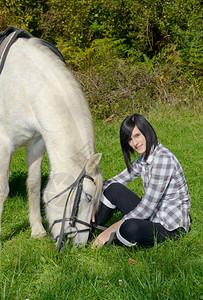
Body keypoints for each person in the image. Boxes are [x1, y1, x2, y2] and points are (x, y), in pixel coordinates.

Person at [92, 113, 191, 248]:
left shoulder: (163, 159)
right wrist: (94, 202)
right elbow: (119, 179)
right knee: (113, 188)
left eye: (137, 135)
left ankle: (111, 236)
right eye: (130, 139)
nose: (135, 143)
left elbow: (147, 208)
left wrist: (113, 228)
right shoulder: (144, 158)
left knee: (130, 227)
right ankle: (88, 230)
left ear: (146, 131)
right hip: (153, 216)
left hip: (170, 226)